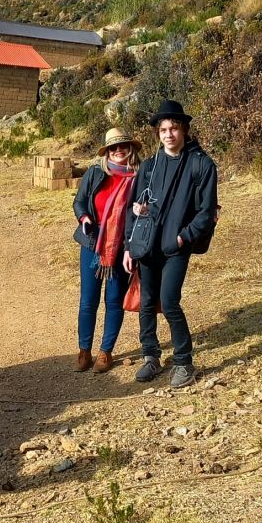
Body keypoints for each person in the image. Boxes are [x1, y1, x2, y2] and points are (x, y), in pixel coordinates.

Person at [123, 100, 218, 388]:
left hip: (176, 248)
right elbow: (133, 207)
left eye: (174, 128)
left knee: (170, 301)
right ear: (158, 134)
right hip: (147, 245)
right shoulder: (150, 166)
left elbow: (207, 211)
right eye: (163, 129)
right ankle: (150, 356)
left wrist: (183, 236)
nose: (168, 134)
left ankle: (184, 362)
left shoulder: (201, 164)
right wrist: (129, 245)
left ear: (184, 130)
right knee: (148, 302)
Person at [73, 128, 142, 373]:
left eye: (122, 145)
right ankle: (84, 351)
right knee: (88, 300)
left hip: (121, 246)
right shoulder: (94, 173)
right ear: (107, 152)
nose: (118, 151)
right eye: (113, 148)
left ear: (130, 148)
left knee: (113, 301)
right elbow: (79, 201)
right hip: (93, 242)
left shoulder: (139, 177)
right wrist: (84, 217)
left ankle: (106, 352)